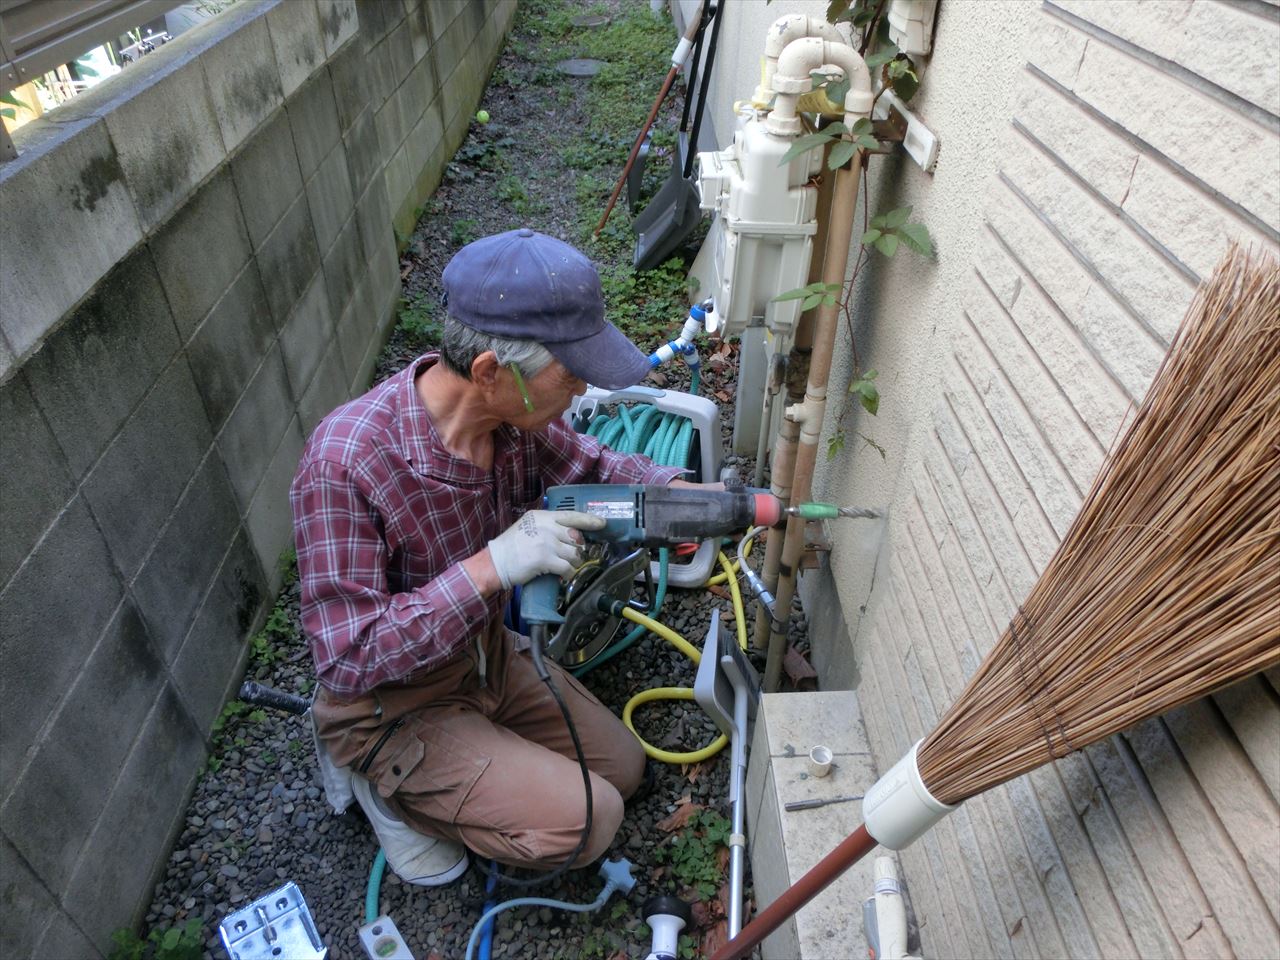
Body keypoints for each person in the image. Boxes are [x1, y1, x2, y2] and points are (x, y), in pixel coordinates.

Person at [290, 228, 703, 885]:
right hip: (391, 706)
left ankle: (484, 756)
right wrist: (489, 569)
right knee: (590, 822)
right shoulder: (348, 463)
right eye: (570, 375)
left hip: (483, 657)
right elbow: (347, 657)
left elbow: (592, 464)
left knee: (623, 770)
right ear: (489, 372)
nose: (580, 391)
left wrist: (686, 496)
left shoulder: (514, 424)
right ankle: (386, 791)